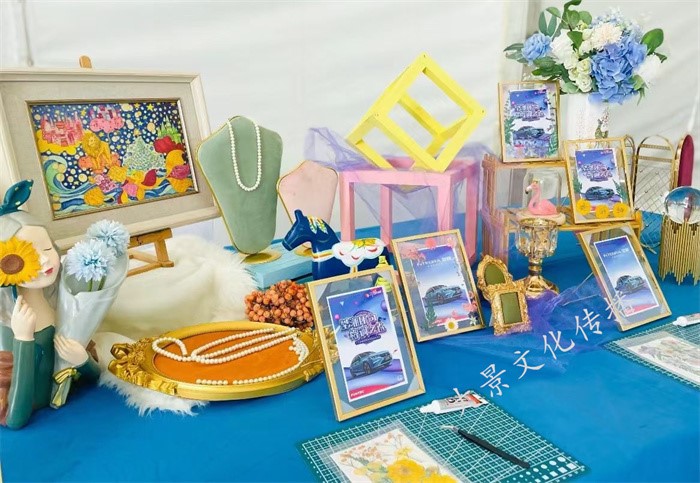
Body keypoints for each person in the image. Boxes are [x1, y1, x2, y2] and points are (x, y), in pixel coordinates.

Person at [0, 180, 99, 429]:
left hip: (79, 414)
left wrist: (83, 360)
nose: (45, 260)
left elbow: (95, 377)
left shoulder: (63, 304)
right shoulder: (7, 326)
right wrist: (23, 339)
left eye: (47, 247)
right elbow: (15, 418)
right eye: (30, 255)